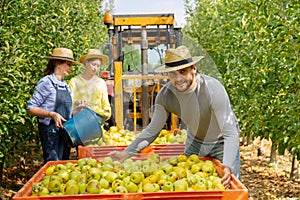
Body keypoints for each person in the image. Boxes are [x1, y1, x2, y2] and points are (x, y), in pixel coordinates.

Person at [109, 45, 240, 188]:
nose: (178, 78)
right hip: (195, 142)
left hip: (221, 143)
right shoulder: (166, 96)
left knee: (228, 187)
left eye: (183, 72)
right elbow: (152, 131)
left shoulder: (212, 89)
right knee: (190, 187)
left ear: (193, 69)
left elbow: (230, 133)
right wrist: (125, 154)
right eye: (173, 73)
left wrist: (228, 165)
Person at [27, 48, 85, 163]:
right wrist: (51, 114)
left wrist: (78, 109)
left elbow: (67, 112)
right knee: (53, 166)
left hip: (65, 133)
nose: (71, 68)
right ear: (58, 63)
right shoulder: (46, 82)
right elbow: (31, 108)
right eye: (68, 64)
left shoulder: (65, 86)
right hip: (51, 134)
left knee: (63, 166)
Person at [68, 49, 111, 126]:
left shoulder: (101, 83)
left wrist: (106, 114)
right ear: (87, 63)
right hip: (79, 124)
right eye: (93, 64)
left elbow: (106, 105)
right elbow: (68, 103)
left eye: (98, 66)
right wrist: (77, 102)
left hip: (96, 125)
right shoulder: (74, 81)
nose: (95, 68)